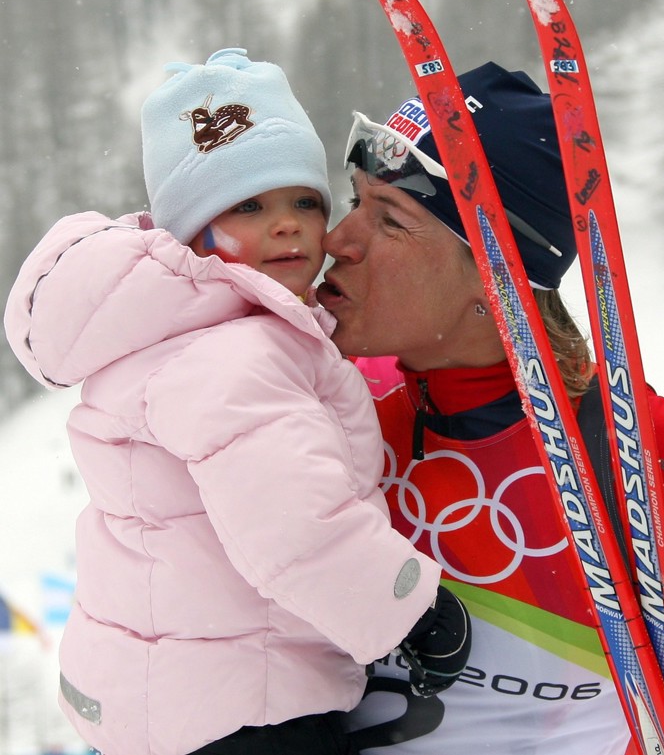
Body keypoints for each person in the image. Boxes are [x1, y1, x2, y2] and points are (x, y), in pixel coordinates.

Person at [3, 48, 472, 755]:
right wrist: (408, 607)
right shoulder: (235, 351)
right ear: (188, 230)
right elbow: (292, 521)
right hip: (245, 704)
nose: (286, 224)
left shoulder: (172, 327)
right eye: (247, 205)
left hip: (175, 691)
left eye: (303, 201)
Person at [316, 61, 664, 755]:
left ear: (495, 284)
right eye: (355, 198)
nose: (338, 238)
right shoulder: (322, 429)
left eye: (390, 218)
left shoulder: (647, 457)